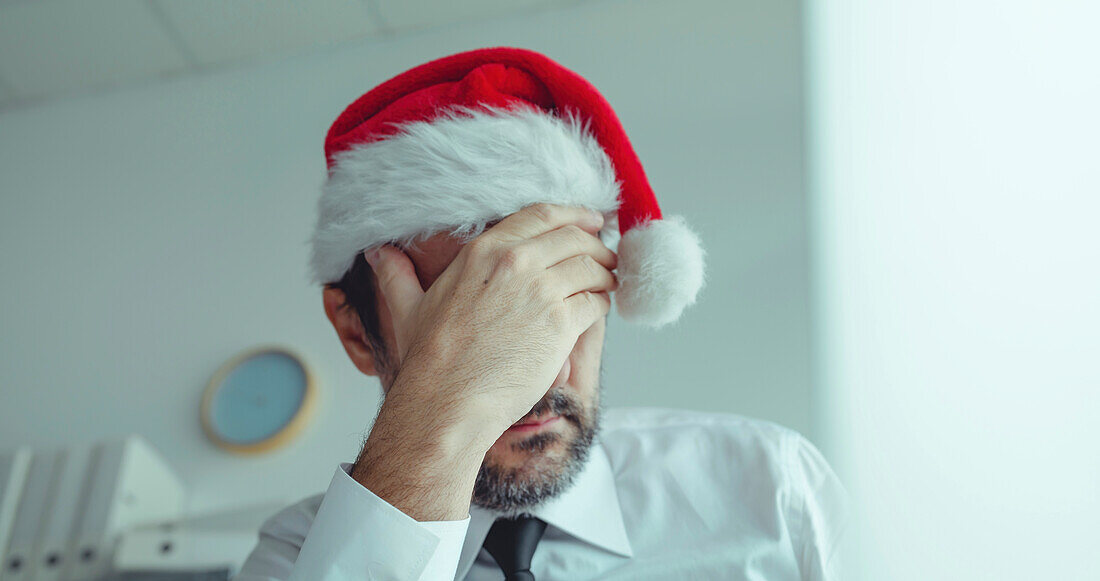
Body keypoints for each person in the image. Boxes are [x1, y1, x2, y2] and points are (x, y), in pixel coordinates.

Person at [235, 48, 848, 581]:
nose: (537, 381)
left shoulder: (771, 489)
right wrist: (439, 419)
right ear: (354, 332)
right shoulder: (298, 556)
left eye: (563, 299)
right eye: (469, 321)